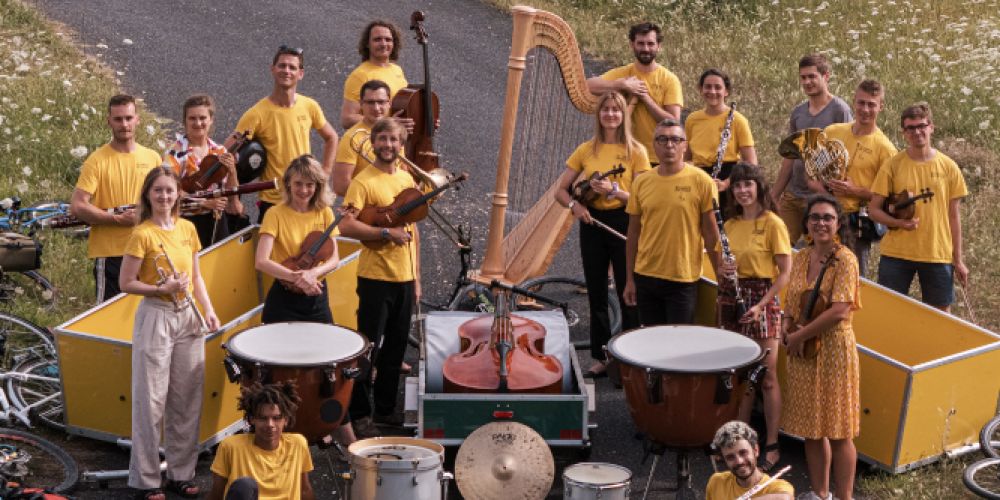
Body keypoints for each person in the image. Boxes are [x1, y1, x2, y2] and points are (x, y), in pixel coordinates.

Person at [119, 167, 222, 500]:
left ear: (179, 193)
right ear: (148, 195)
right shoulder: (142, 234)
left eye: (170, 190)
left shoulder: (188, 229)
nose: (164, 196)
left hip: (188, 316)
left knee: (187, 398)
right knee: (150, 401)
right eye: (158, 190)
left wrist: (209, 310)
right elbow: (126, 283)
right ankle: (147, 480)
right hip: (157, 316)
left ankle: (181, 473)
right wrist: (159, 287)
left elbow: (197, 276)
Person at [553, 91, 648, 377]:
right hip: (592, 222)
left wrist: (617, 193)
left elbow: (642, 198)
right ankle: (603, 356)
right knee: (596, 291)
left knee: (628, 291)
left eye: (615, 110)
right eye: (605, 109)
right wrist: (575, 206)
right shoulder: (586, 149)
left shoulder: (636, 151)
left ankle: (630, 359)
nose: (610, 115)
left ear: (623, 116)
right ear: (599, 115)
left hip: (623, 221)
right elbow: (561, 190)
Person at [340, 118, 420, 438]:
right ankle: (359, 413)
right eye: (382, 139)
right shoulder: (363, 181)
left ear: (401, 144)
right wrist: (385, 231)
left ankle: (385, 411)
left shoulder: (407, 177)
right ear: (373, 143)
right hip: (374, 277)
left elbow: (414, 232)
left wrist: (417, 277)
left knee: (396, 349)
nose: (388, 145)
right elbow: (346, 226)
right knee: (368, 349)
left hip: (404, 276)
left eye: (394, 140)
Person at [782, 194, 860, 500]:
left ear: (838, 223)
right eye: (815, 218)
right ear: (806, 224)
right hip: (803, 349)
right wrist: (787, 331)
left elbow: (840, 310)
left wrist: (799, 336)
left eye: (827, 217)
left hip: (834, 350)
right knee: (811, 430)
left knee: (839, 431)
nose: (821, 223)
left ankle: (845, 497)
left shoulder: (846, 260)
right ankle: (820, 494)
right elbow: (790, 303)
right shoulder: (801, 257)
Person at [717, 163, 791, 472]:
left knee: (766, 377)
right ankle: (738, 443)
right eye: (737, 186)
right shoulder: (730, 225)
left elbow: (784, 273)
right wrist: (722, 269)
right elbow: (720, 266)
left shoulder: (773, 223)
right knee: (740, 377)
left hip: (761, 299)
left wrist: (761, 305)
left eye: (748, 184)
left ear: (759, 187)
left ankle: (771, 442)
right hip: (732, 297)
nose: (743, 191)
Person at [868, 103, 968, 312]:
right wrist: (898, 223)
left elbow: (953, 217)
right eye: (910, 128)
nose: (917, 132)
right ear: (904, 133)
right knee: (889, 311)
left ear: (931, 127)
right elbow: (874, 210)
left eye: (921, 126)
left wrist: (958, 260)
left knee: (940, 315)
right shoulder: (893, 165)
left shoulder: (948, 167)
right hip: (896, 253)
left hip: (936, 252)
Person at [623, 118, 720, 325]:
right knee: (652, 347)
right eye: (662, 139)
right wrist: (629, 280)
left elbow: (711, 235)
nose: (669, 145)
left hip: (683, 279)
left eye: (675, 139)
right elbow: (633, 234)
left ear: (685, 145)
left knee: (679, 348)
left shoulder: (702, 181)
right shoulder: (641, 182)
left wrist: (722, 281)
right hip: (645, 276)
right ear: (654, 145)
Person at [70, 94, 161, 303]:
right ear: (108, 121)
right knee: (108, 320)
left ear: (137, 119)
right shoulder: (97, 160)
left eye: (129, 118)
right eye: (118, 119)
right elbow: (78, 206)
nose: (124, 124)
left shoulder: (152, 157)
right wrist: (117, 220)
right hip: (112, 253)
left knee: (146, 317)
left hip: (148, 250)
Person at [234, 45, 338, 222]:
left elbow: (332, 137)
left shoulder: (309, 106)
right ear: (273, 69)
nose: (286, 71)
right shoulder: (256, 114)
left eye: (292, 67)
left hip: (306, 197)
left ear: (300, 74)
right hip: (274, 201)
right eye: (282, 66)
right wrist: (233, 198)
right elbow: (228, 153)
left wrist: (325, 173)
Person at [809, 80, 897, 274]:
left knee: (853, 278)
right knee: (814, 273)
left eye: (871, 104)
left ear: (881, 107)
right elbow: (812, 176)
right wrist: (826, 194)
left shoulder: (886, 149)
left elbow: (889, 198)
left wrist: (854, 191)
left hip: (856, 223)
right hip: (824, 217)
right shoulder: (833, 132)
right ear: (853, 101)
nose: (865, 109)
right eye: (861, 103)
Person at [771, 54, 852, 245]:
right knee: (780, 246)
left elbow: (846, 156)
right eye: (803, 77)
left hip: (820, 197)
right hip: (793, 194)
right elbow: (790, 157)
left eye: (812, 76)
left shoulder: (840, 110)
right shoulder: (798, 112)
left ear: (826, 76)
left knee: (817, 252)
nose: (807, 82)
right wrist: (775, 194)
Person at [255, 155, 340, 324]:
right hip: (284, 298)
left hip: (317, 294)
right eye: (298, 183)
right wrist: (297, 278)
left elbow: (335, 258)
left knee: (322, 348)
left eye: (310, 185)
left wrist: (312, 274)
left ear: (318, 186)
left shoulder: (325, 212)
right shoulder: (274, 213)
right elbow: (261, 261)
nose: (303, 190)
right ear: (288, 183)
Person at [586, 22, 682, 159]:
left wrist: (646, 98)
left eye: (650, 44)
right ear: (632, 44)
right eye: (641, 43)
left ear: (659, 46)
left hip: (657, 157)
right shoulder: (623, 73)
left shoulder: (669, 79)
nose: (646, 48)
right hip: (625, 154)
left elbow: (674, 122)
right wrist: (621, 85)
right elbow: (587, 85)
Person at [208, 382, 315, 500]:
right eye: (263, 418)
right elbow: (216, 494)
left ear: (286, 419)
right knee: (245, 486)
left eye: (276, 418)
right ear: (252, 419)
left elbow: (305, 490)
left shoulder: (298, 444)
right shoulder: (230, 447)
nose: (270, 424)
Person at [164, 94, 241, 247]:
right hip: (186, 222)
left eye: (202, 118)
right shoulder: (174, 153)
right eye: (192, 118)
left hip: (217, 220)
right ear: (185, 121)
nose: (198, 123)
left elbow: (231, 191)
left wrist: (232, 171)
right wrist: (204, 203)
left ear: (211, 120)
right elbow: (169, 192)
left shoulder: (220, 150)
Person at [684, 68, 757, 217]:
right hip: (699, 180)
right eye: (708, 86)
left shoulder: (738, 120)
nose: (712, 91)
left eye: (718, 87)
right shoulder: (692, 119)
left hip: (727, 179)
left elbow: (751, 162)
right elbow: (687, 158)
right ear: (700, 89)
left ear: (726, 91)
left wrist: (726, 184)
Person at [340, 20, 409, 130]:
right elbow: (347, 119)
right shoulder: (360, 75)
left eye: (388, 40)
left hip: (397, 141)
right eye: (377, 39)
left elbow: (405, 108)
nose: (383, 44)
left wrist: (425, 119)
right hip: (374, 142)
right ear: (367, 44)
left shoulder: (397, 70)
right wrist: (387, 123)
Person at [333, 79, 393, 196]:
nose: (376, 108)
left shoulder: (395, 133)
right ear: (361, 104)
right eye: (370, 102)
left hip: (396, 207)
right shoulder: (351, 138)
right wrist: (376, 195)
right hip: (368, 211)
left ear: (389, 103)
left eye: (381, 102)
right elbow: (340, 186)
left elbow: (402, 171)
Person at [706, 420, 794, 500]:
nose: (739, 461)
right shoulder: (716, 482)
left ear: (756, 450)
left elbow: (785, 498)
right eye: (730, 457)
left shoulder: (776, 487)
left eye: (743, 453)